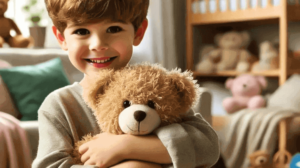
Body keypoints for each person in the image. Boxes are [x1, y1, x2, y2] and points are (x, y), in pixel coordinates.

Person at [32, 0, 220, 167]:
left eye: (113, 29)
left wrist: (127, 146)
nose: (98, 44)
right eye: (82, 31)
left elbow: (208, 147)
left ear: (138, 32)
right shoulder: (59, 104)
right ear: (61, 38)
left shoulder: (157, 90)